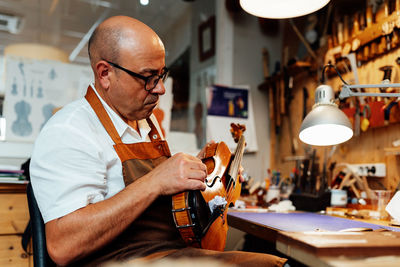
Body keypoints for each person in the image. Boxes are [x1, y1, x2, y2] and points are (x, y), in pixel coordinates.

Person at [30, 15, 287, 267]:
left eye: (161, 75)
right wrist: (156, 180)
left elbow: (161, 202)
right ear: (105, 73)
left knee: (274, 262)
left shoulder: (143, 122)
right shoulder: (70, 130)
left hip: (174, 253)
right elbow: (63, 246)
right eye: (147, 77)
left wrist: (206, 179)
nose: (160, 89)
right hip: (123, 262)